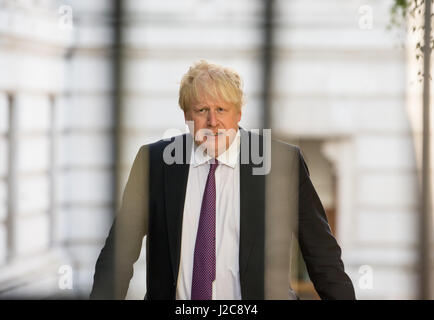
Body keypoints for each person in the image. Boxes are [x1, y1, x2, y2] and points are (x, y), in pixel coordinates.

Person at [90, 60, 356, 300]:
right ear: (186, 116)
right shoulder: (155, 162)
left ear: (238, 114)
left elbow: (322, 256)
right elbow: (118, 255)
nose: (212, 121)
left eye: (221, 109)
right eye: (202, 109)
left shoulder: (281, 163)